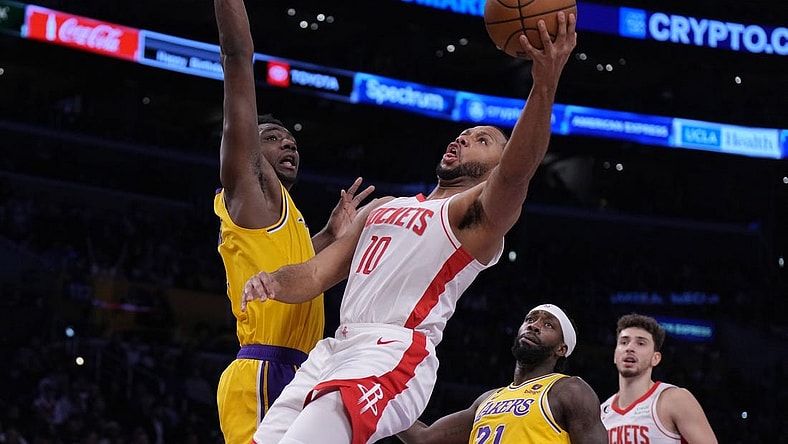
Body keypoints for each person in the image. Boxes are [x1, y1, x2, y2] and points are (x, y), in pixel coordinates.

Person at [242, 11, 577, 444]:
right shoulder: (383, 207)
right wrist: (273, 281)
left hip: (394, 353)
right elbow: (315, 274)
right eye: (463, 133)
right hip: (334, 349)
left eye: (482, 140)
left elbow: (517, 171)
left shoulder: (471, 218)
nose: (463, 138)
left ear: (497, 165)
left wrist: (545, 82)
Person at [212, 1, 375, 443]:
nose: (288, 144)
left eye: (292, 141)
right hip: (266, 367)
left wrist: (330, 234)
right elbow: (237, 56)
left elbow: (295, 268)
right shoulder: (247, 188)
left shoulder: (284, 214)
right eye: (272, 138)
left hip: (300, 368)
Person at [396, 304, 608, 444]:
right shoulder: (487, 400)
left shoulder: (570, 390)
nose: (534, 326)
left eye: (548, 325)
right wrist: (384, 400)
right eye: (530, 319)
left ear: (561, 349)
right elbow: (423, 438)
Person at [600, 313, 718, 444]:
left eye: (640, 343)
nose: (630, 348)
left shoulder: (674, 399)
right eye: (624, 342)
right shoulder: (601, 414)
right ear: (615, 355)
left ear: (655, 358)